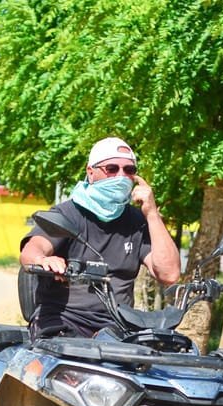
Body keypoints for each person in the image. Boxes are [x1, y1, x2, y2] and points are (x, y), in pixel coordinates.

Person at [20, 137, 181, 337]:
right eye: (112, 168)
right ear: (91, 173)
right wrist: (43, 259)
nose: (121, 176)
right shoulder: (69, 213)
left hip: (118, 326)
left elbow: (169, 274)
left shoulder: (138, 220)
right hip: (65, 320)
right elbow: (30, 252)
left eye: (129, 170)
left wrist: (152, 214)